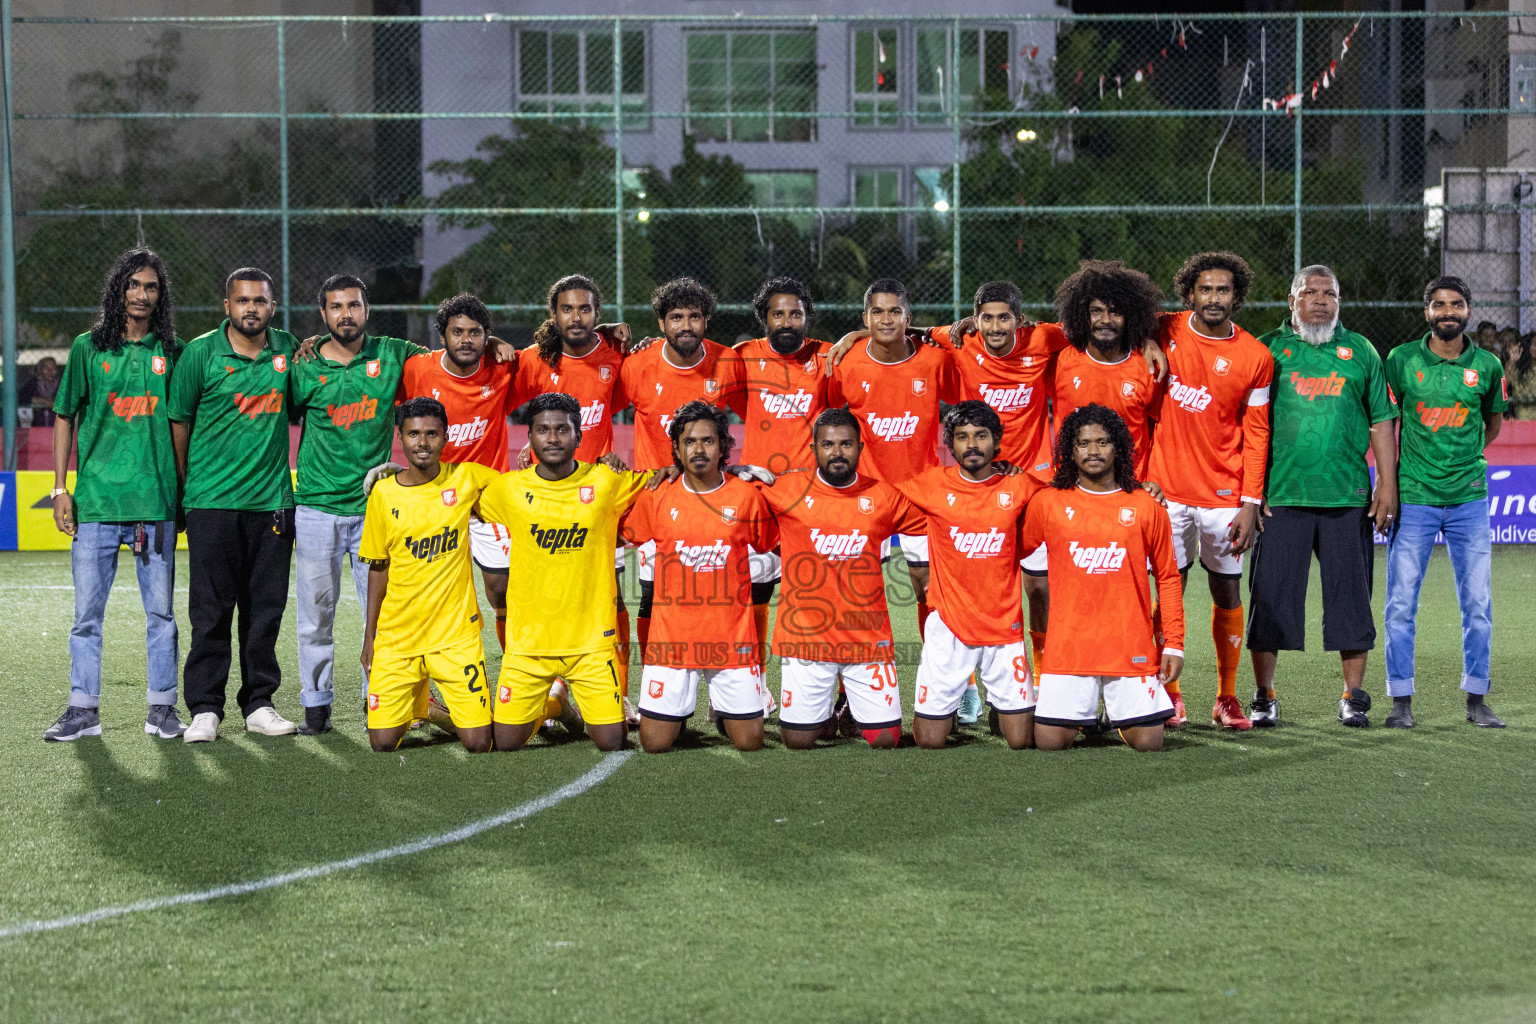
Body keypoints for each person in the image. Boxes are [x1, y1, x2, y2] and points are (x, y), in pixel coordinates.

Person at [43, 247, 185, 742]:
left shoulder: (175, 353)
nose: (142, 295)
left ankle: (162, 709)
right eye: (133, 285)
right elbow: (65, 416)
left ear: (160, 295)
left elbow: (185, 426)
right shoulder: (88, 348)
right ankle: (83, 711)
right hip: (97, 504)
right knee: (86, 616)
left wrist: (181, 494)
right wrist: (60, 487)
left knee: (162, 616)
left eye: (151, 287)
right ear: (118, 290)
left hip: (156, 506)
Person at [1247, 266, 1399, 728]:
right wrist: (1251, 493)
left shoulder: (1362, 352)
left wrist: (1386, 484)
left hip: (1348, 497)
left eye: (1328, 293)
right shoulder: (1268, 350)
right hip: (1282, 496)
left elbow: (1381, 422)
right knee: (1269, 599)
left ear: (1338, 301)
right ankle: (1263, 695)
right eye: (1309, 293)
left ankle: (1353, 696)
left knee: (1352, 600)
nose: (1319, 300)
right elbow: (1247, 426)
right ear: (1291, 300)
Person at [287, 274, 428, 734]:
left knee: (386, 612)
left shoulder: (394, 354)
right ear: (322, 315)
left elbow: (452, 356)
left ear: (367, 309)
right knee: (315, 615)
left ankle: (382, 698)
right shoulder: (303, 365)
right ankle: (315, 704)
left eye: (353, 305)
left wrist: (493, 342)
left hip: (375, 510)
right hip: (316, 507)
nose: (345, 314)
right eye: (335, 307)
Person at [476, 393, 653, 752]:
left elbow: (661, 482)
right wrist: (396, 477)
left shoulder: (607, 482)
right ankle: (556, 704)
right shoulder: (509, 489)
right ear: (530, 437)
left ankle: (561, 705)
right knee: (506, 744)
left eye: (562, 429)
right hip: (528, 645)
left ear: (579, 436)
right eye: (543, 430)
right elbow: (457, 494)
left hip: (590, 644)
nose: (552, 438)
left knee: (612, 742)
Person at [1144, 251, 1274, 731]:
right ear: (1189, 293)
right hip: (1166, 492)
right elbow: (1121, 322)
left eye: (1223, 290)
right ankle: (1169, 694)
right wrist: (1145, 340)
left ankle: (1226, 697)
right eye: (1205, 289)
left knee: (1226, 591)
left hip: (1224, 495)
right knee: (1166, 589)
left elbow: (1258, 432)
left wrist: (1250, 503)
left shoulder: (1257, 357)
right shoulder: (1165, 328)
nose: (1214, 298)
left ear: (1236, 296)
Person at [168, 267, 299, 743]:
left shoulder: (289, 350)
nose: (251, 308)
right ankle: (205, 708)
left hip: (272, 505)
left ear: (272, 306)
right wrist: (188, 487)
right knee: (210, 611)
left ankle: (259, 703)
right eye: (242, 301)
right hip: (211, 503)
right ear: (227, 306)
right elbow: (178, 423)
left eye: (260, 301)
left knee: (265, 611)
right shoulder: (200, 354)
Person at [1382, 276, 1510, 729]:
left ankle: (1476, 699)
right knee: (1400, 604)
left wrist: (1467, 456)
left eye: (1456, 304)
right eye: (1439, 305)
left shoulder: (1489, 366)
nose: (1448, 311)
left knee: (1477, 603)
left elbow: (1492, 422)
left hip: (1469, 500)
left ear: (1468, 311)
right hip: (1414, 497)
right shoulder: (1400, 361)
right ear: (1427, 312)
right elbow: (1383, 419)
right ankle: (1401, 701)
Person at [759, 408, 928, 750]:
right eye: (828, 445)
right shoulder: (786, 490)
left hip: (867, 641)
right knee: (798, 741)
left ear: (860, 448)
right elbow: (731, 497)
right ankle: (824, 713)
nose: (837, 452)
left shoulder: (883, 496)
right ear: (814, 449)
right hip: (805, 640)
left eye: (846, 444)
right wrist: (732, 471)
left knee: (885, 741)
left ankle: (847, 705)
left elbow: (935, 516)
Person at [620, 401, 778, 753]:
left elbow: (771, 540)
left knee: (750, 743)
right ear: (676, 448)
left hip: (731, 641)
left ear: (723, 446)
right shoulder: (658, 497)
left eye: (708, 441)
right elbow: (619, 532)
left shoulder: (746, 496)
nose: (699, 449)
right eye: (689, 441)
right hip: (672, 643)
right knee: (654, 744)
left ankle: (725, 710)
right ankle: (679, 712)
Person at [1025, 404, 1184, 752]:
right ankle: (1085, 717)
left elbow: (1169, 577)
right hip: (1070, 646)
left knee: (1149, 744)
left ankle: (1114, 716)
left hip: (1129, 645)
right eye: (1083, 443)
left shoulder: (1146, 504)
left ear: (1119, 448)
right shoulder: (1048, 503)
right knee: (1050, 743)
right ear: (1070, 450)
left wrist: (1173, 643)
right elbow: (1009, 553)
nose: (1093, 451)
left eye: (1103, 442)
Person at [515, 274, 639, 722]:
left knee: (608, 598)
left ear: (598, 315)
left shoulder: (616, 357)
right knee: (548, 595)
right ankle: (547, 689)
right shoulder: (532, 361)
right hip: (544, 500)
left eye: (585, 309)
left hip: (596, 499)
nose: (576, 317)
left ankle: (617, 692)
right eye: (567, 309)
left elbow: (630, 403)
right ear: (554, 314)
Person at [823, 279, 961, 654]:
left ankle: (955, 686)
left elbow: (962, 374)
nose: (886, 319)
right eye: (878, 312)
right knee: (855, 596)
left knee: (932, 592)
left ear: (908, 317)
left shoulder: (934, 361)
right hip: (866, 494)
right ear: (865, 317)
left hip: (921, 494)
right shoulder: (846, 362)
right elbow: (831, 418)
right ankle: (848, 692)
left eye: (895, 311)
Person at [619, 277, 746, 685]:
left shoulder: (728, 363)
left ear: (706, 320)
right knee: (654, 596)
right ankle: (650, 681)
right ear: (661, 323)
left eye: (694, 316)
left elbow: (756, 415)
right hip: (656, 502)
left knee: (719, 596)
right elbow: (588, 405)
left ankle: (740, 685)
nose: (686, 325)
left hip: (713, 501)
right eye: (676, 317)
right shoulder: (637, 365)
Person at [896, 401, 1043, 750]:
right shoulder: (930, 484)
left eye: (981, 436)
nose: (972, 444)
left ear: (997, 442)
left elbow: (1076, 497)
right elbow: (874, 497)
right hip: (949, 627)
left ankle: (999, 705)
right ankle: (966, 701)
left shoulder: (1022, 487)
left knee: (1021, 742)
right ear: (951, 444)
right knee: (929, 741)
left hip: (1003, 629)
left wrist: (1140, 488)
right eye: (962, 437)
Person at [358, 397, 496, 753]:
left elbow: (525, 491)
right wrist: (369, 636)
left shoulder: (467, 480)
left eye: (432, 434)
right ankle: (425, 707)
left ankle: (430, 709)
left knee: (480, 743)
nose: (423, 442)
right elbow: (378, 567)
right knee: (383, 743)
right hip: (398, 636)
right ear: (399, 438)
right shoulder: (383, 494)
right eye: (414, 434)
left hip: (454, 635)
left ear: (446, 437)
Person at [401, 293, 528, 653]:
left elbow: (555, 354)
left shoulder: (502, 368)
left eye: (475, 332)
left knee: (503, 589)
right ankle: (434, 683)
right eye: (457, 332)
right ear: (442, 336)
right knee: (432, 594)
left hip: (488, 500)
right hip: (434, 499)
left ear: (487, 336)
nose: (466, 340)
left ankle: (520, 679)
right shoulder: (418, 370)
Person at [733, 276, 830, 666]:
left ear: (807, 317)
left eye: (796, 313)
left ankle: (830, 691)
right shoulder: (740, 357)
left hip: (811, 498)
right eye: (778, 314)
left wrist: (856, 333)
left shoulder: (828, 356)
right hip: (759, 494)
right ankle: (752, 683)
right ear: (764, 319)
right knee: (756, 593)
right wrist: (729, 466)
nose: (787, 321)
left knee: (815, 597)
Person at [1504, 332, 1536, 421]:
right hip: (1523, 421)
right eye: (1535, 344)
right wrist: (1511, 361)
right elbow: (1501, 387)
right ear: (1527, 348)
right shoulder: (1517, 371)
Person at [23, 356, 61, 429]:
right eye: (46, 368)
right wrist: (42, 401)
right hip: (36, 427)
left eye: (53, 368)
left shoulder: (62, 384)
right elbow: (23, 398)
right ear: (40, 370)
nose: (50, 371)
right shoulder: (33, 384)